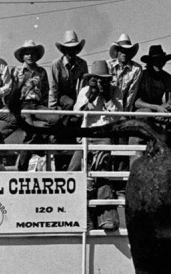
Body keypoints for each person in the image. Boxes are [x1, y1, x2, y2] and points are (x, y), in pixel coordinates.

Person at [67, 60, 123, 231]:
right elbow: (76, 115)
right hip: (86, 135)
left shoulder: (115, 92)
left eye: (103, 80)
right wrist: (89, 98)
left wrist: (107, 97)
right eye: (97, 79)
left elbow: (118, 116)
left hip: (104, 135)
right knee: (74, 171)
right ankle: (81, 215)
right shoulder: (85, 91)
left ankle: (105, 217)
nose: (100, 83)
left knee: (100, 172)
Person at [0, 40, 60, 171]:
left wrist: (44, 108)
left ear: (36, 56)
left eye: (32, 53)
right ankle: (22, 164)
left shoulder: (41, 72)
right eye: (27, 53)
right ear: (23, 56)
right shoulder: (16, 71)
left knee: (55, 118)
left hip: (37, 105)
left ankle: (4, 135)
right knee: (31, 130)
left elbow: (46, 91)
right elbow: (11, 92)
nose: (30, 56)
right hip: (23, 104)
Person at [48, 30, 88, 114]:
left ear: (77, 50)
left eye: (74, 48)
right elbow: (53, 86)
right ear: (64, 50)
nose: (71, 51)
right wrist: (52, 106)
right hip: (59, 95)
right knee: (70, 103)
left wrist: (82, 101)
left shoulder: (82, 64)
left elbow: (84, 85)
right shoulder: (57, 64)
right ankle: (62, 125)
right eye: (69, 49)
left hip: (74, 94)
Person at [107, 34, 143, 112]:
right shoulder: (108, 66)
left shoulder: (136, 69)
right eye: (122, 50)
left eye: (127, 51)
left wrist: (125, 112)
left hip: (124, 107)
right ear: (117, 52)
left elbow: (132, 93)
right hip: (107, 106)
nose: (124, 53)